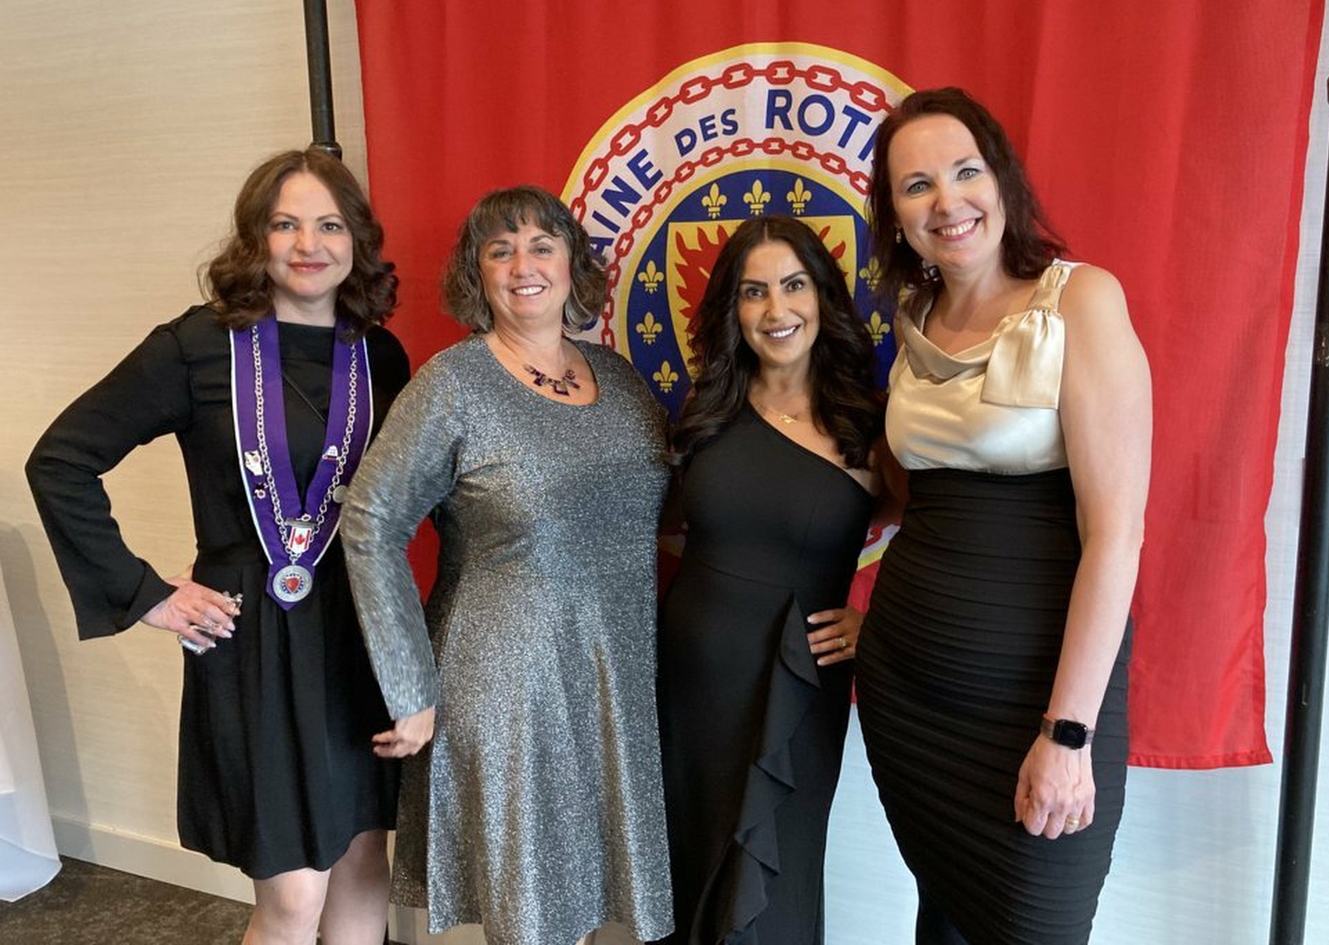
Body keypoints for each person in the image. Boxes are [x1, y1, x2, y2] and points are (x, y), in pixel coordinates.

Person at [26, 147, 410, 944]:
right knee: (293, 893)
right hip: (255, 638)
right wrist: (146, 593)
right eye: (285, 224)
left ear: (356, 240)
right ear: (254, 238)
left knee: (362, 858)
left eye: (329, 225)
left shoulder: (379, 354)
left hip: (357, 630)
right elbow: (60, 461)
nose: (308, 243)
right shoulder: (197, 345)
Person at [854, 88, 1152, 945]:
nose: (945, 201)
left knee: (1032, 923)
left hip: (1036, 700)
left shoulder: (1081, 300)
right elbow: (902, 491)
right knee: (944, 917)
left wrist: (1067, 732)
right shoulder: (912, 318)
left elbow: (1115, 536)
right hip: (910, 692)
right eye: (916, 186)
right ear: (895, 216)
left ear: (1001, 180)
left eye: (964, 172)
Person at [340, 185, 674, 945]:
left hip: (613, 681)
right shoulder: (453, 385)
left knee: (589, 905)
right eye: (501, 251)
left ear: (571, 265)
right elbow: (370, 519)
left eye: (541, 246)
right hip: (506, 684)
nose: (524, 266)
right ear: (477, 274)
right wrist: (408, 686)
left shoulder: (619, 378)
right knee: (532, 913)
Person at [655, 215, 883, 945]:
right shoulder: (708, 409)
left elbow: (941, 535)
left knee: (774, 891)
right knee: (685, 878)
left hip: (797, 689)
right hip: (688, 689)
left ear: (823, 296)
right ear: (733, 308)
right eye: (754, 292)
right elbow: (656, 524)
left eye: (793, 285)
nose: (776, 309)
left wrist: (877, 620)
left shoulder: (870, 425)